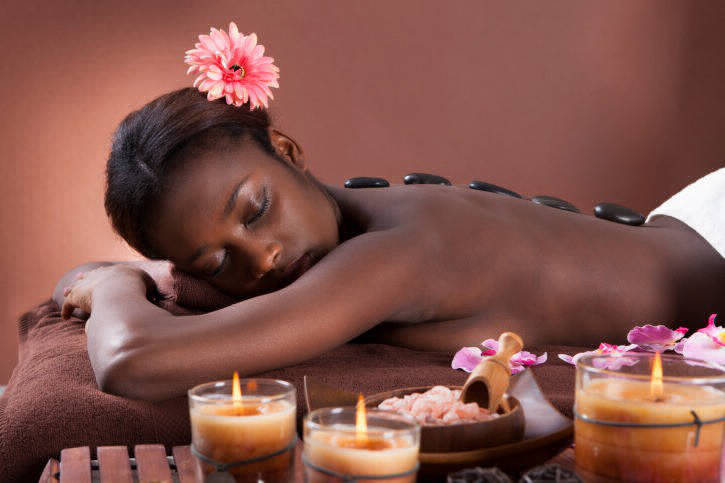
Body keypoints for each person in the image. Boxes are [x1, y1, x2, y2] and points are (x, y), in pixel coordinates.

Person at [53, 88, 724, 401]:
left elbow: (132, 360)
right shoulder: (356, 217)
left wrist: (113, 284)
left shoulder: (395, 255)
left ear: (288, 150)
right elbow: (81, 287)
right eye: (217, 262)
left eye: (256, 211)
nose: (262, 258)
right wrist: (126, 274)